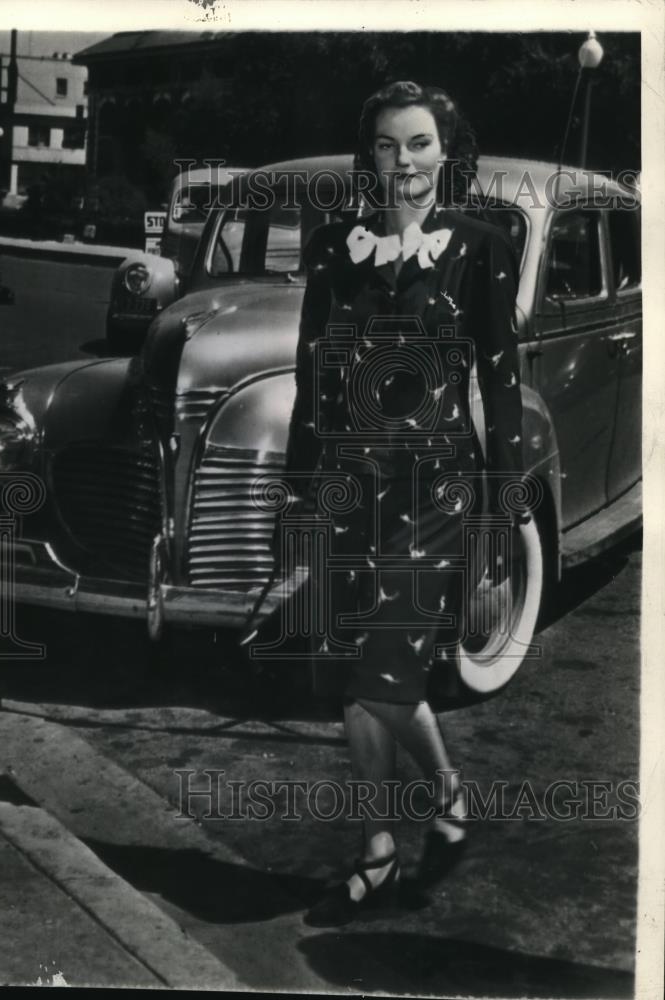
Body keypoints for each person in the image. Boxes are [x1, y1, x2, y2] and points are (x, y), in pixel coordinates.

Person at [278, 80, 526, 927]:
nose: (404, 164)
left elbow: (500, 381)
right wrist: (297, 498)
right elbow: (315, 374)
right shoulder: (332, 248)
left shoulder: (480, 246)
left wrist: (498, 517)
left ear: (445, 153)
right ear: (368, 157)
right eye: (387, 146)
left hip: (436, 490)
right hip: (351, 490)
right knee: (358, 687)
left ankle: (449, 799)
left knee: (384, 676)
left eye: (419, 144)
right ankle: (379, 848)